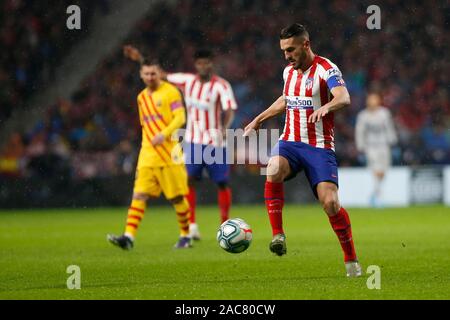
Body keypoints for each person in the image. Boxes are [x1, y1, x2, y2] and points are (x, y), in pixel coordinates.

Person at [244, 23, 361, 277]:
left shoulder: (326, 69)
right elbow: (285, 100)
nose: (286, 55)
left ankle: (351, 259)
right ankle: (278, 235)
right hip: (290, 142)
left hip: (319, 147)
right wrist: (259, 119)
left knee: (330, 203)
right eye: (284, 50)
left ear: (305, 45)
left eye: (291, 50)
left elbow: (344, 97)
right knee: (272, 168)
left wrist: (327, 107)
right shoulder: (289, 72)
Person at [124, 46, 237, 240]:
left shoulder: (221, 85)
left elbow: (230, 109)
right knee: (188, 182)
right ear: (196, 65)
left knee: (221, 183)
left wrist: (224, 128)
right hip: (193, 141)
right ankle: (192, 225)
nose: (203, 66)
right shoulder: (188, 81)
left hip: (215, 142)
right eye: (199, 63)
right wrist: (140, 58)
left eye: (206, 62)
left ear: (211, 64)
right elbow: (161, 75)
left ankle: (224, 223)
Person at [107, 59, 192, 250]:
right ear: (141, 75)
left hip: (170, 154)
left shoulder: (171, 92)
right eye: (146, 74)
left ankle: (185, 236)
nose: (150, 77)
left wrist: (164, 133)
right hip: (147, 155)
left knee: (177, 198)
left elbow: (180, 117)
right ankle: (128, 237)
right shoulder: (141, 97)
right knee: (139, 195)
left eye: (153, 73)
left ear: (158, 73)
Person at [355, 92, 397, 207]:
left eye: (375, 100)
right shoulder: (363, 115)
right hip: (371, 146)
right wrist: (360, 146)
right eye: (371, 100)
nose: (373, 102)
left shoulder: (384, 113)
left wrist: (392, 140)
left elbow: (389, 127)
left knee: (383, 171)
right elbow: (360, 131)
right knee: (376, 170)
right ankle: (377, 197)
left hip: (383, 145)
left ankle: (375, 193)